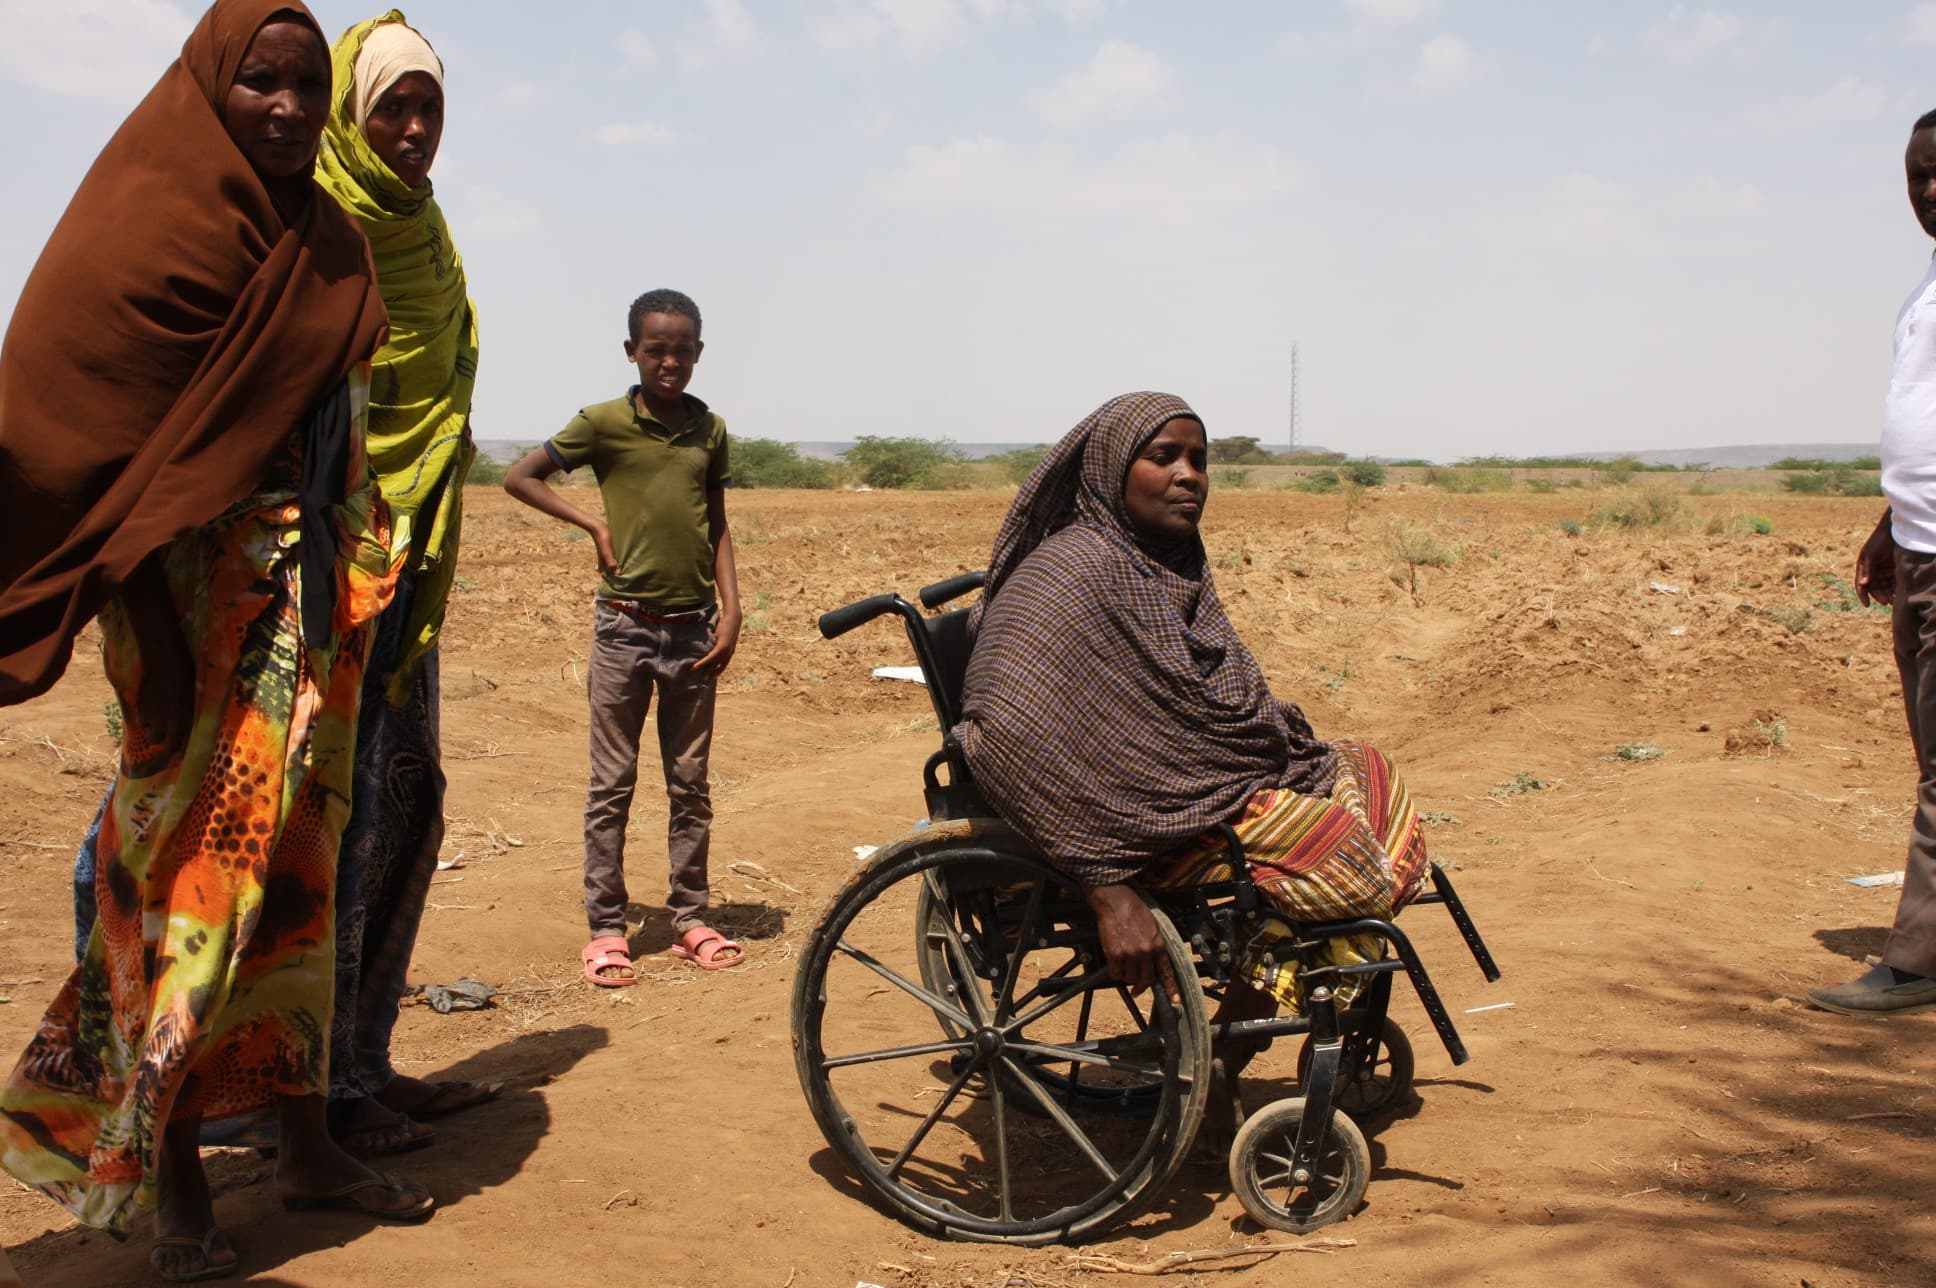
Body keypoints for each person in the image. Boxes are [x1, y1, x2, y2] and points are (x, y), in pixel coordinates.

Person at [0, 2, 433, 1280]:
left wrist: (360, 573)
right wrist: (149, 627)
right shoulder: (139, 240)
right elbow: (67, 454)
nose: (289, 108)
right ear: (209, 88)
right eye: (261, 82)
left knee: (302, 877)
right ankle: (175, 1166)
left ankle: (304, 1139)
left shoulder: (329, 244)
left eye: (307, 85)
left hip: (314, 612)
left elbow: (340, 431)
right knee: (188, 888)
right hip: (188, 626)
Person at [955, 391, 1432, 1137]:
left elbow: (1207, 700)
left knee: (1371, 772)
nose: (1189, 475)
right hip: (1128, 823)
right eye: (1164, 457)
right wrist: (1106, 889)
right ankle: (1228, 1049)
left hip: (1201, 787)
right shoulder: (1070, 572)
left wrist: (1258, 753)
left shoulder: (1167, 563)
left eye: (1199, 460)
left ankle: (1245, 1013)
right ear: (1111, 469)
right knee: (1347, 859)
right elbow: (1000, 733)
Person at [313, 9, 500, 1153]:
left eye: (430, 106)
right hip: (327, 564)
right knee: (334, 822)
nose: (417, 127)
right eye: (395, 106)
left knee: (409, 799)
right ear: (352, 113)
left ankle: (364, 1055)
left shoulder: (422, 229)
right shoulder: (316, 223)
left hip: (411, 561)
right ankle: (306, 1089)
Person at [503, 289, 745, 984]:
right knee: (612, 784)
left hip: (694, 630)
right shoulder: (602, 423)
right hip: (625, 628)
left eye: (683, 351)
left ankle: (690, 918)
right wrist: (593, 524)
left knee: (690, 785)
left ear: (699, 353)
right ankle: (607, 928)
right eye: (656, 350)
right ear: (632, 352)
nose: (670, 362)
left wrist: (732, 611)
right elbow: (521, 477)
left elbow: (717, 523)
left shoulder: (709, 430)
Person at [1807, 110, 1936, 1018]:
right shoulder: (1922, 295)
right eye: (1916, 176)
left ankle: (1919, 961)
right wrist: (1892, 524)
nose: (1929, 191)